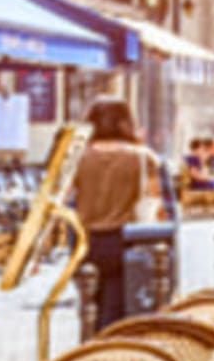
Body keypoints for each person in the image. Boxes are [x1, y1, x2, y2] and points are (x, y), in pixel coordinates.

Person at [68, 102, 169, 252]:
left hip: (85, 241)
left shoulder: (77, 156)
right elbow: (157, 198)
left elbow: (63, 196)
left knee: (87, 275)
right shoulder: (143, 157)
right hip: (129, 240)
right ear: (128, 123)